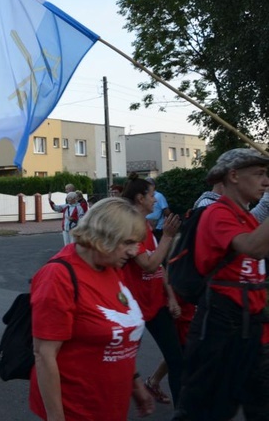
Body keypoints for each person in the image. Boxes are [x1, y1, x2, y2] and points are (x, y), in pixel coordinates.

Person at [30, 197, 154, 420]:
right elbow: (44, 354)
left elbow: (120, 332)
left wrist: (135, 383)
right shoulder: (58, 277)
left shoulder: (110, 266)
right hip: (76, 409)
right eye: (127, 242)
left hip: (110, 405)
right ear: (105, 235)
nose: (134, 251)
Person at [175, 148, 269, 421]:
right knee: (204, 411)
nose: (266, 181)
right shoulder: (216, 213)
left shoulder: (248, 216)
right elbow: (253, 247)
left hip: (250, 328)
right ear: (234, 176)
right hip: (219, 329)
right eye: (260, 174)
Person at [120, 173, 183, 406]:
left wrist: (171, 297)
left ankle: (182, 413)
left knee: (177, 358)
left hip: (155, 304)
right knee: (122, 363)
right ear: (139, 198)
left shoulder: (146, 224)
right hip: (132, 307)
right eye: (152, 195)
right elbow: (148, 264)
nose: (156, 200)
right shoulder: (129, 226)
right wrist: (167, 237)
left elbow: (159, 267)